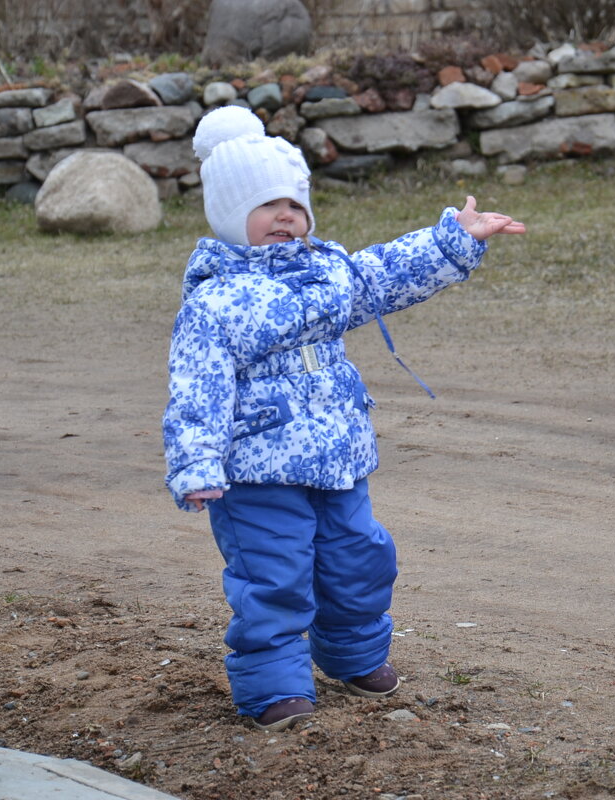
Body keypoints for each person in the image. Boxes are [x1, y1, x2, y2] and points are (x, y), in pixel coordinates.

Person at [162, 106, 525, 732]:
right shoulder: (215, 302)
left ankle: (353, 656)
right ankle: (275, 686)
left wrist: (452, 239)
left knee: (360, 559)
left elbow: (384, 274)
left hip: (340, 458)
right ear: (227, 215)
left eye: (295, 205)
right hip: (257, 475)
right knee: (274, 578)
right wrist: (195, 461)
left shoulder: (327, 272)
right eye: (267, 204)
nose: (286, 216)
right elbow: (196, 388)